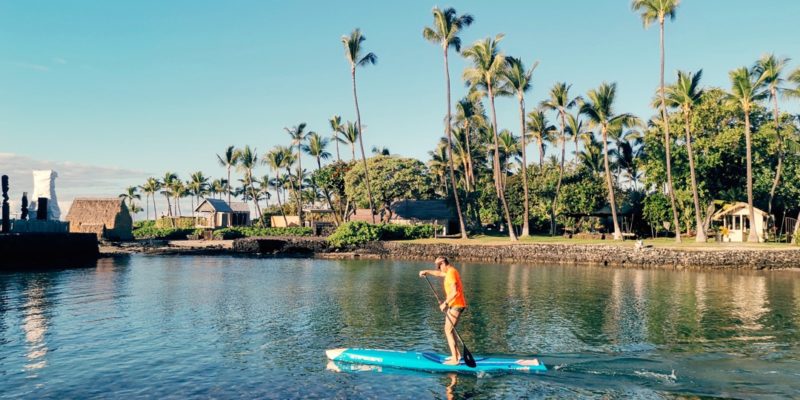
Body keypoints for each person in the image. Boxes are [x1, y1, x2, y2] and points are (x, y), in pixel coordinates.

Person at [419, 256, 467, 365]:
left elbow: (454, 292)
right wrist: (427, 271)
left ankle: (455, 359)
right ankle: (458, 355)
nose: (439, 269)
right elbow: (439, 274)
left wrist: (445, 303)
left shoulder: (451, 273)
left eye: (439, 266)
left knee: (448, 330)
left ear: (443, 263)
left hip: (457, 305)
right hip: (454, 304)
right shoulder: (449, 271)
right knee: (450, 329)